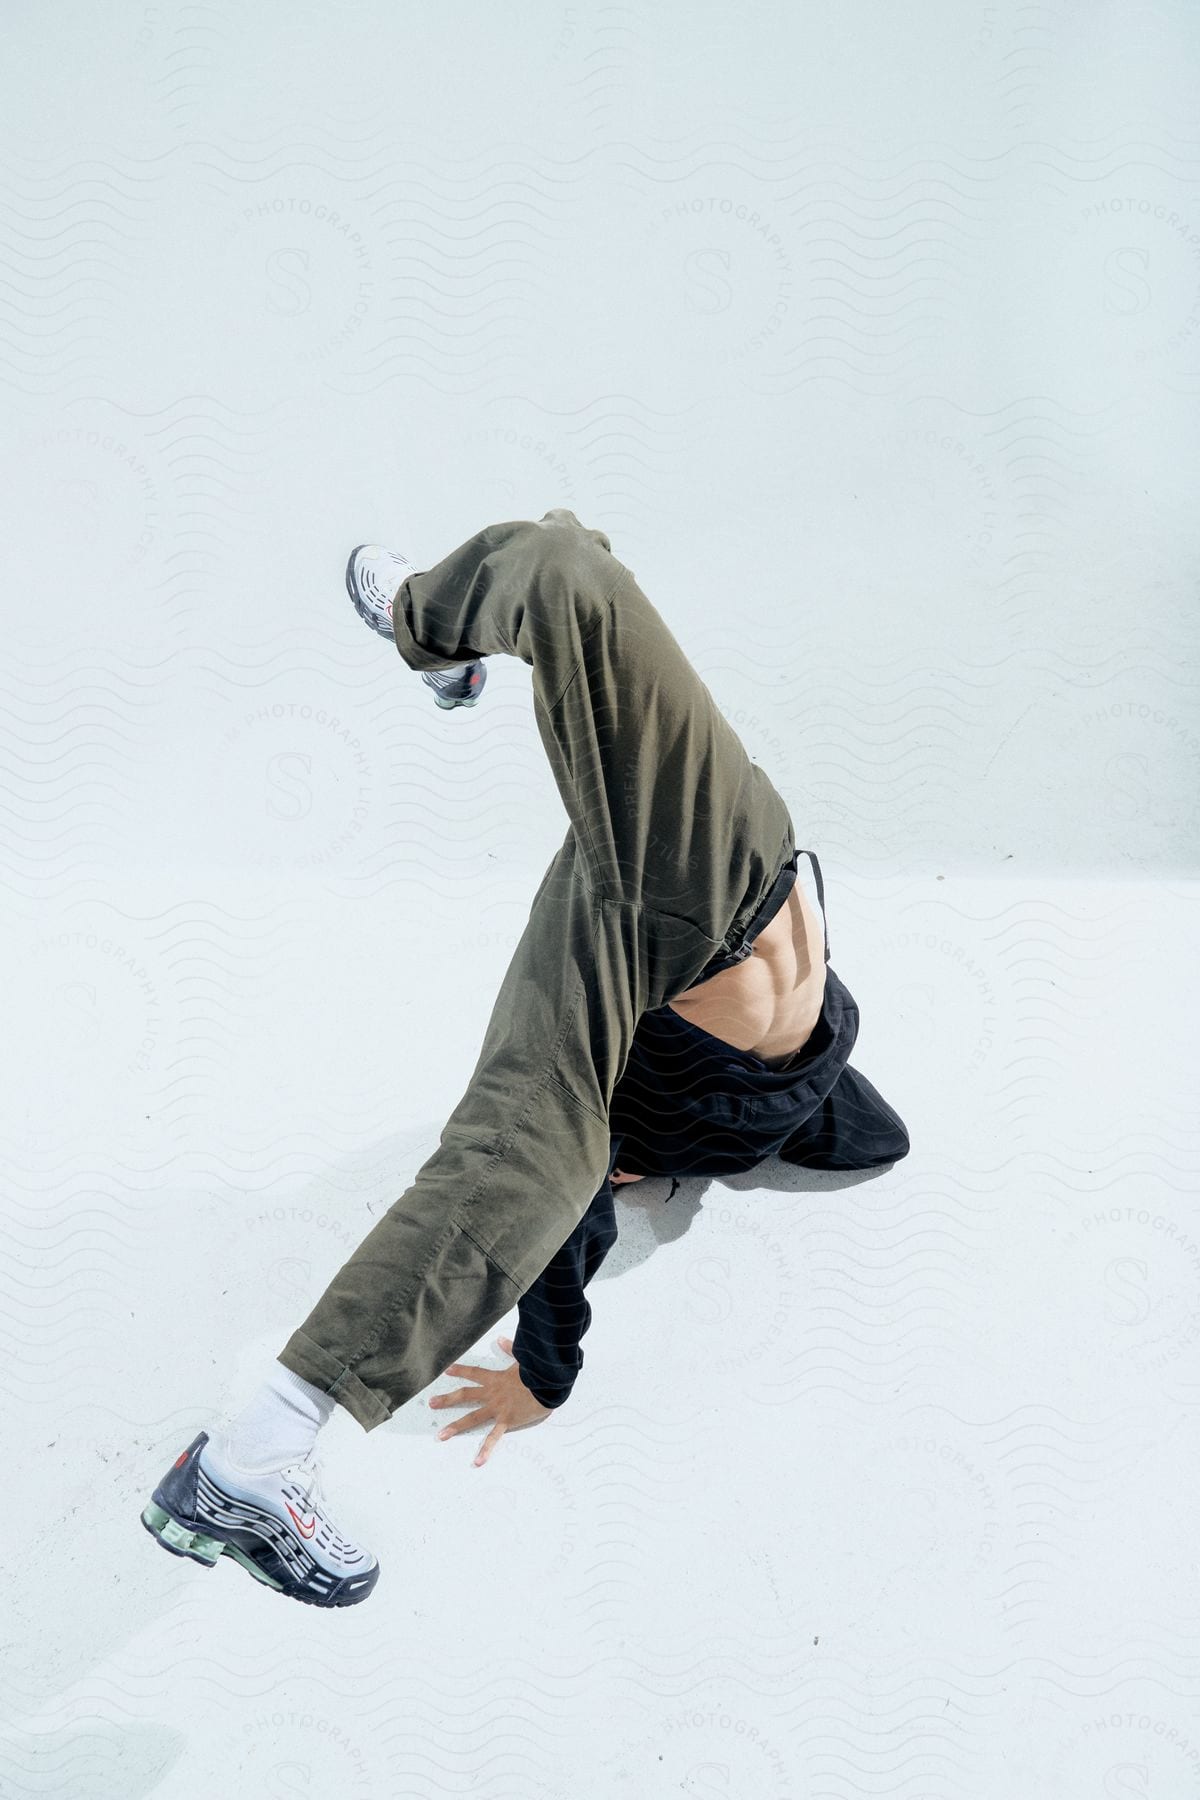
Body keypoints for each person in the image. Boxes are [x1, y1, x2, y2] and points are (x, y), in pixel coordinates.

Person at [140, 509, 910, 1607]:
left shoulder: (611, 1115)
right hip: (741, 858)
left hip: (672, 913)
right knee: (570, 575)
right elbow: (880, 1136)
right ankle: (437, 635)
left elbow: (560, 1230)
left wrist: (546, 1377)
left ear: (633, 1163)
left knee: (565, 571)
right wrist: (550, 1368)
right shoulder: (805, 1107)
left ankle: (250, 1461)